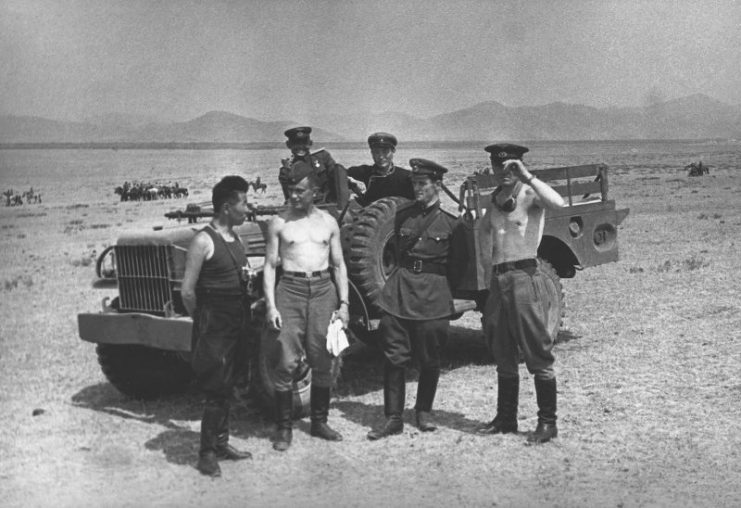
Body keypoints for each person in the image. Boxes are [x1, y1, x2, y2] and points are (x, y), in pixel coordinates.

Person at [476, 143, 566, 444]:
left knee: (536, 349)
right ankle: (505, 418)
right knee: (501, 348)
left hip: (524, 276)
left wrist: (528, 177)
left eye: (509, 166)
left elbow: (560, 204)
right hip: (499, 280)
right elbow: (486, 237)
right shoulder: (496, 199)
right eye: (497, 166)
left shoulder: (529, 194)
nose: (502, 172)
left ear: (517, 166)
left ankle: (547, 422)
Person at [367, 158, 458, 440]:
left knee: (430, 357)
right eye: (415, 184)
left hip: (433, 295)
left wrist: (443, 293)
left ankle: (424, 412)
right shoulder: (402, 216)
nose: (417, 189)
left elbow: (458, 265)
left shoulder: (451, 224)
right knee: (394, 356)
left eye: (422, 184)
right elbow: (395, 250)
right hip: (400, 292)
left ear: (437, 186)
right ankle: (393, 417)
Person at [263, 167, 350, 451]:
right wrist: (271, 306)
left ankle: (319, 422)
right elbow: (268, 266)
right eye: (292, 190)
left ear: (315, 193)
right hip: (290, 289)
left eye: (300, 190)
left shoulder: (329, 223)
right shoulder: (279, 223)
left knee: (323, 357)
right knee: (285, 361)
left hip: (324, 290)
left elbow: (338, 265)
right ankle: (284, 428)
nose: (294, 195)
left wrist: (345, 304)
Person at [181, 175, 254, 477]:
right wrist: (204, 321)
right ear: (227, 207)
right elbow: (187, 291)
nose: (248, 209)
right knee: (215, 387)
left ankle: (222, 443)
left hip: (239, 318)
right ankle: (207, 453)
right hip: (215, 321)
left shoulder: (236, 238)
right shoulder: (203, 240)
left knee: (230, 384)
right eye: (244, 203)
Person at [346, 132, 415, 206]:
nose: (381, 157)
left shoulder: (405, 177)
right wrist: (351, 182)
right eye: (376, 152)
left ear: (393, 151)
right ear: (372, 153)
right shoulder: (363, 172)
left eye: (385, 152)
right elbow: (337, 174)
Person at [278, 126, 342, 204]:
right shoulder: (287, 169)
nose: (300, 146)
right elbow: (289, 196)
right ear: (289, 145)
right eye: (296, 143)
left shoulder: (323, 158)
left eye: (304, 143)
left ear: (310, 143)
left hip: (329, 205)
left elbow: (338, 178)